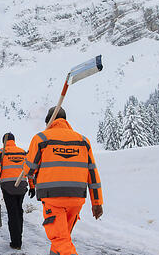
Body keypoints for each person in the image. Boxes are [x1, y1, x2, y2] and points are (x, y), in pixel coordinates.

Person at [22, 107, 103, 255]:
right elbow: (93, 174)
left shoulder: (41, 139)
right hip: (77, 199)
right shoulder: (83, 141)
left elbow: (29, 171)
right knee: (63, 238)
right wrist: (97, 203)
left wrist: (28, 160)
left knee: (60, 239)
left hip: (53, 199)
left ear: (49, 121)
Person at [0, 133, 32, 250]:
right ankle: (18, 238)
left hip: (7, 186)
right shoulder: (23, 152)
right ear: (13, 140)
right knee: (18, 211)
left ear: (3, 141)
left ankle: (16, 242)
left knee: (12, 213)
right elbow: (29, 170)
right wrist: (32, 186)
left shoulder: (0, 153)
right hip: (22, 186)